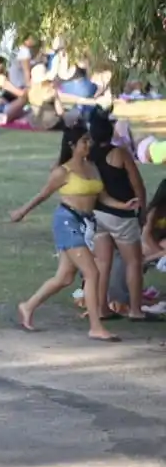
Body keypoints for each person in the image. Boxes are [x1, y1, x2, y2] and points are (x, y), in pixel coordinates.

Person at [10, 123, 134, 341]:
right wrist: (22, 212)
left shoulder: (92, 166)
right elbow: (43, 195)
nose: (89, 144)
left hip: (86, 222)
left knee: (65, 278)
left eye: (89, 140)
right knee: (92, 272)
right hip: (67, 221)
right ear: (72, 145)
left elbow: (102, 197)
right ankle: (95, 326)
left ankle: (27, 306)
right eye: (84, 141)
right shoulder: (63, 171)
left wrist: (124, 206)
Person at [88, 109, 153, 321]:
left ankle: (101, 307)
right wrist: (142, 211)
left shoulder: (88, 155)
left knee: (102, 263)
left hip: (98, 214)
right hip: (121, 215)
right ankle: (135, 309)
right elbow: (138, 185)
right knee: (133, 261)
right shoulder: (120, 154)